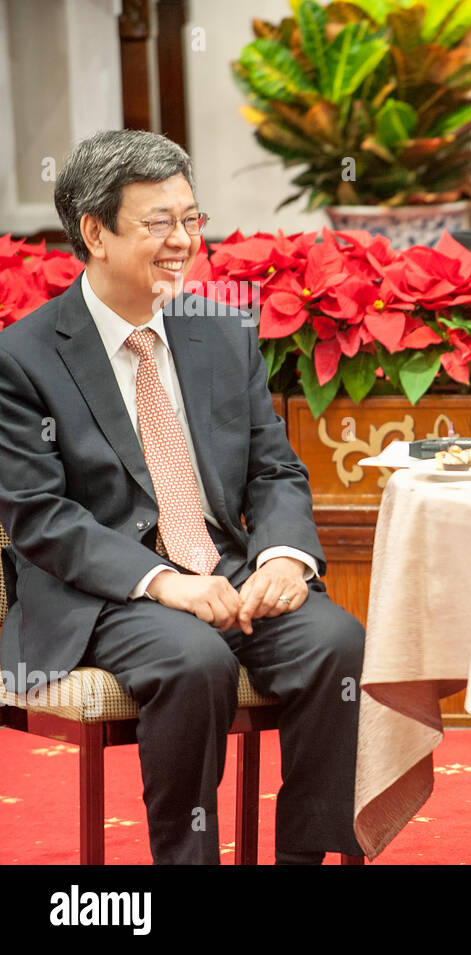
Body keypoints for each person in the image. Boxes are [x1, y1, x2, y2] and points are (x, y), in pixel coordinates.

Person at [0, 130, 365, 864]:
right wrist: (163, 582)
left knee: (337, 643)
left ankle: (306, 858)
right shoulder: (24, 357)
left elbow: (274, 469)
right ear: (95, 231)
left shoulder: (220, 333)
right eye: (158, 222)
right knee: (192, 658)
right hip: (101, 593)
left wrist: (286, 558)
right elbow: (40, 517)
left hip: (222, 570)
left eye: (192, 219)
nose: (183, 241)